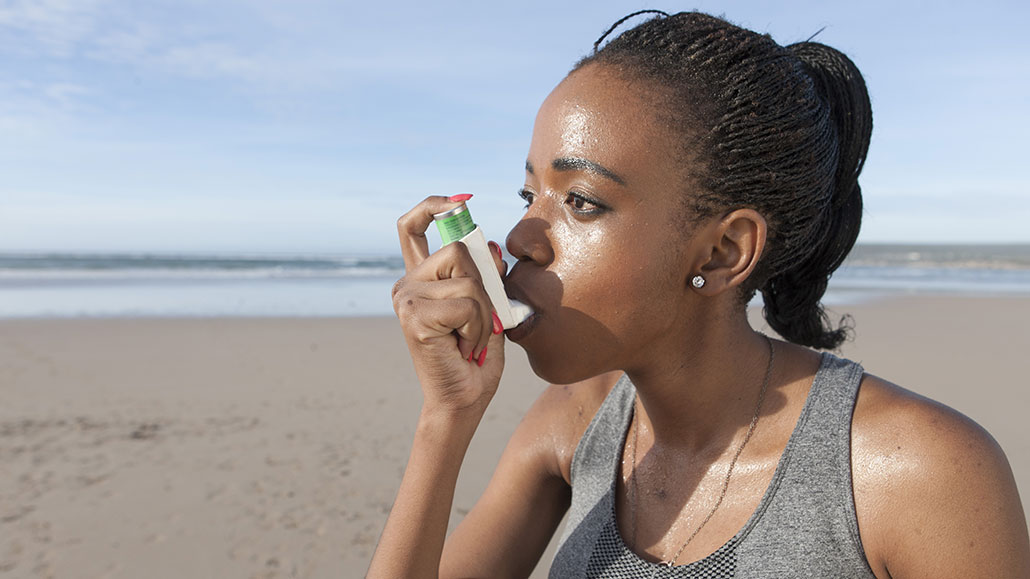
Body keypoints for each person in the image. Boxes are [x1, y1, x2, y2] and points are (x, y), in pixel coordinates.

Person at [368, 10, 1030, 578]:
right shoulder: (573, 422)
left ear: (722, 252)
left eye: (581, 201)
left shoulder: (918, 471)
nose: (520, 238)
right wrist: (445, 416)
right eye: (528, 194)